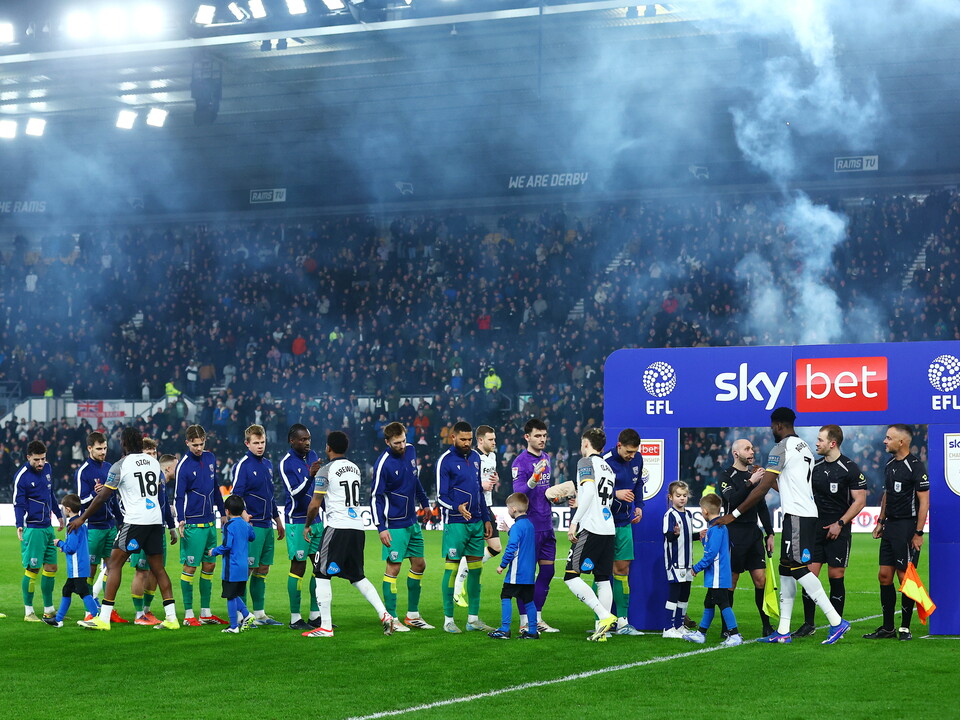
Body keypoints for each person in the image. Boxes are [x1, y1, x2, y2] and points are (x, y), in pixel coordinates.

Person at [717, 407, 850, 645]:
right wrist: (767, 476)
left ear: (779, 426)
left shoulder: (782, 447)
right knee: (785, 569)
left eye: (772, 427)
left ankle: (836, 621)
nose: (771, 431)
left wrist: (733, 514)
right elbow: (786, 484)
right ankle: (783, 631)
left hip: (798, 516)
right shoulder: (804, 447)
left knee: (798, 568)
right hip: (802, 514)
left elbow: (762, 489)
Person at [71, 426, 180, 631]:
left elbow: (103, 497)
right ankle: (172, 618)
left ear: (123, 444)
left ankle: (103, 618)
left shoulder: (120, 466)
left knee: (113, 564)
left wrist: (81, 518)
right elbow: (158, 489)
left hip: (136, 521)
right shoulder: (154, 464)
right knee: (158, 568)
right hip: (155, 519)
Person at [301, 431, 393, 638]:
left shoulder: (326, 470)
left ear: (328, 448)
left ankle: (325, 627)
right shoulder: (355, 468)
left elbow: (315, 504)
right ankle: (384, 614)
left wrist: (307, 525)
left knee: (321, 573)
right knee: (357, 576)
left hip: (337, 527)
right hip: (357, 528)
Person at [793, 425, 867, 638]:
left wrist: (840, 523)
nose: (816, 443)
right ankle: (809, 624)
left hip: (839, 531)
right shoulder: (814, 468)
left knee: (836, 576)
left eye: (820, 440)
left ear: (832, 443)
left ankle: (837, 625)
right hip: (814, 531)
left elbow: (860, 500)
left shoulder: (850, 468)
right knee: (809, 576)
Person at [863, 424, 929, 641]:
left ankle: (905, 627)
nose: (885, 441)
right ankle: (888, 627)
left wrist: (918, 532)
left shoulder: (916, 466)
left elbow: (924, 501)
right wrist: (881, 521)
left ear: (902, 442)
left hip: (907, 527)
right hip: (890, 526)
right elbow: (887, 495)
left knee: (905, 576)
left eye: (889, 438)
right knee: (884, 576)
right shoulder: (890, 464)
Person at [371, 422, 434, 632]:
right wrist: (381, 527)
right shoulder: (383, 464)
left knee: (419, 564)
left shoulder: (411, 451)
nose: (402, 445)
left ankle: (413, 615)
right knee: (394, 568)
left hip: (411, 521)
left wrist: (425, 503)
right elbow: (375, 498)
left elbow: (414, 480)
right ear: (387, 442)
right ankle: (392, 618)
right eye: (397, 443)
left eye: (404, 440)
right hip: (394, 524)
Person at [436, 421, 495, 633]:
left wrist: (486, 518)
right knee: (451, 572)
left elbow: (479, 491)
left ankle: (473, 619)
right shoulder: (445, 460)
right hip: (456, 523)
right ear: (453, 438)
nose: (467, 443)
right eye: (463, 439)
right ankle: (448, 620)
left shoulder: (476, 457)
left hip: (477, 522)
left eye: (470, 439)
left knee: (476, 572)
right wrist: (456, 507)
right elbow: (440, 496)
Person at [564, 428, 618, 642]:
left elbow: (588, 493)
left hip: (592, 527)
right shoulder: (608, 467)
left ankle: (604, 616)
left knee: (570, 576)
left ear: (586, 443)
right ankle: (601, 632)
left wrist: (575, 521)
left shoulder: (586, 463)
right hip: (608, 527)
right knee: (603, 579)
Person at [719, 438, 775, 637]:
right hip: (734, 532)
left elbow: (761, 505)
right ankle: (727, 628)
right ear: (736, 453)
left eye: (752, 448)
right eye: (747, 448)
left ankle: (766, 625)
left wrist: (770, 533)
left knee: (761, 580)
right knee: (731, 581)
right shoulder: (726, 475)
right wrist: (750, 482)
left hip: (753, 533)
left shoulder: (756, 474)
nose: (752, 451)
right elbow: (732, 500)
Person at [231, 424, 285, 626]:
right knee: (246, 570)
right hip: (251, 525)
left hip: (267, 525)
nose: (260, 446)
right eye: (256, 443)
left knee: (263, 568)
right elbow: (236, 496)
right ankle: (241, 614)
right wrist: (244, 516)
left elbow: (270, 496)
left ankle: (260, 614)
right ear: (247, 443)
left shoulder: (268, 465)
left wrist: (277, 520)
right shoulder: (243, 465)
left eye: (262, 442)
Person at [175, 424, 227, 626]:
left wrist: (222, 513)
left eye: (201, 444)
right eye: (195, 444)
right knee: (190, 567)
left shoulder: (210, 458)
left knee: (210, 565)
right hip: (193, 524)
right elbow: (179, 496)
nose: (198, 448)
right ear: (187, 443)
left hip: (209, 523)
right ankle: (189, 615)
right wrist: (180, 519)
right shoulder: (184, 466)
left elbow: (215, 487)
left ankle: (205, 613)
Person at [511, 418, 558, 633]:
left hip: (547, 524)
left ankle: (537, 618)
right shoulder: (519, 462)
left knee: (547, 572)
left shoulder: (547, 458)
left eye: (544, 435)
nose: (542, 439)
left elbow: (544, 490)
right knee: (526, 575)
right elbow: (519, 493)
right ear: (527, 437)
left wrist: (556, 496)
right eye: (537, 435)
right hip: (530, 527)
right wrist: (533, 479)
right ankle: (524, 622)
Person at [75, 431, 126, 623]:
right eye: (99, 449)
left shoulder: (109, 468)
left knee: (111, 567)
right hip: (92, 527)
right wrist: (95, 495)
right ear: (89, 448)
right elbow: (81, 500)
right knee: (91, 569)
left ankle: (107, 608)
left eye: (104, 448)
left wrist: (120, 520)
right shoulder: (83, 471)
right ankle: (89, 610)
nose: (103, 452)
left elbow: (113, 498)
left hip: (110, 525)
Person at [278, 424, 323, 630]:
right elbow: (294, 493)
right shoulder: (286, 463)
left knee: (319, 567)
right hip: (296, 521)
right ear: (292, 441)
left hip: (316, 520)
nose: (307, 443)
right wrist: (311, 476)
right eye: (303, 439)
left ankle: (315, 615)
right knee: (298, 567)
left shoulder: (313, 455)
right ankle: (295, 617)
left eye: (309, 439)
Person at [683, 493, 743, 646]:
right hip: (717, 573)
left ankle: (735, 635)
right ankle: (701, 633)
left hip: (717, 574)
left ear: (704, 511)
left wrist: (695, 568)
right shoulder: (719, 526)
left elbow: (711, 555)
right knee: (708, 603)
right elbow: (715, 550)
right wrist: (705, 542)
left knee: (723, 603)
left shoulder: (715, 528)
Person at [14, 440, 63, 622]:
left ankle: (48, 609)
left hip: (48, 528)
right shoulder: (22, 476)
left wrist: (58, 515)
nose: (41, 463)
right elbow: (18, 503)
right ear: (28, 457)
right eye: (36, 460)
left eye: (43, 459)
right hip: (33, 528)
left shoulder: (48, 469)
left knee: (51, 568)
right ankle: (28, 612)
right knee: (33, 568)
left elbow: (50, 494)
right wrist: (19, 523)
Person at [601, 428, 644, 636]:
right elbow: (593, 493)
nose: (632, 456)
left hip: (625, 523)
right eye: (628, 452)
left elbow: (638, 485)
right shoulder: (604, 461)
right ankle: (601, 620)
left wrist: (639, 506)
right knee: (602, 572)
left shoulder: (638, 459)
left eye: (635, 452)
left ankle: (622, 621)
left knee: (623, 569)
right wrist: (615, 493)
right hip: (604, 524)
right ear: (619, 445)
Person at [454, 424, 502, 608]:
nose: (494, 442)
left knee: (496, 547)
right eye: (491, 439)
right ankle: (458, 587)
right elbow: (464, 483)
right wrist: (480, 485)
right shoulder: (472, 458)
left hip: (486, 506)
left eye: (494, 439)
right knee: (474, 551)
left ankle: (462, 569)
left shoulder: (493, 457)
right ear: (480, 440)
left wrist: (494, 480)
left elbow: (489, 479)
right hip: (474, 508)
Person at [129, 444, 178, 625]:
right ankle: (138, 614)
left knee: (155, 572)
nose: (151, 456)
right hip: (142, 528)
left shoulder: (159, 478)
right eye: (147, 453)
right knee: (141, 571)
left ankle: (147, 611)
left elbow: (164, 503)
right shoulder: (138, 477)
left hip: (158, 528)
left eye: (153, 453)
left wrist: (171, 527)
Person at [44, 494, 101, 627]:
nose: (63, 510)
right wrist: (65, 546)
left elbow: (71, 548)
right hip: (81, 563)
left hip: (77, 566)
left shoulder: (73, 525)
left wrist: (60, 543)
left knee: (83, 591)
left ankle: (97, 617)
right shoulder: (81, 524)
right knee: (67, 590)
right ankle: (58, 620)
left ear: (68, 509)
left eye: (63, 508)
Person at [488, 492, 538, 640]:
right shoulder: (529, 525)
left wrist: (502, 565)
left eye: (509, 508)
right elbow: (523, 542)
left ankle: (504, 629)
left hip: (517, 572)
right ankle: (533, 631)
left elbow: (512, 548)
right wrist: (510, 531)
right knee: (529, 600)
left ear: (514, 509)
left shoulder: (517, 526)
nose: (508, 510)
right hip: (529, 573)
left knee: (506, 595)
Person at [209, 494, 256, 634]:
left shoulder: (228, 526)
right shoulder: (245, 525)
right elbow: (252, 537)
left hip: (232, 567)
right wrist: (248, 523)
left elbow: (227, 545)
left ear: (227, 511)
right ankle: (247, 614)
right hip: (243, 567)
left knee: (230, 595)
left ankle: (234, 626)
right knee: (235, 594)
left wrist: (214, 551)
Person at [662, 481, 694, 638]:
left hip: (688, 562)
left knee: (685, 594)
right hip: (676, 562)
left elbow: (687, 536)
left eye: (684, 495)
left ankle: (679, 626)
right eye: (678, 495)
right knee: (674, 594)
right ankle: (668, 628)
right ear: (671, 497)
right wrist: (673, 534)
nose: (682, 498)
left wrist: (699, 534)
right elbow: (668, 536)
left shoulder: (688, 514)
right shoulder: (670, 515)